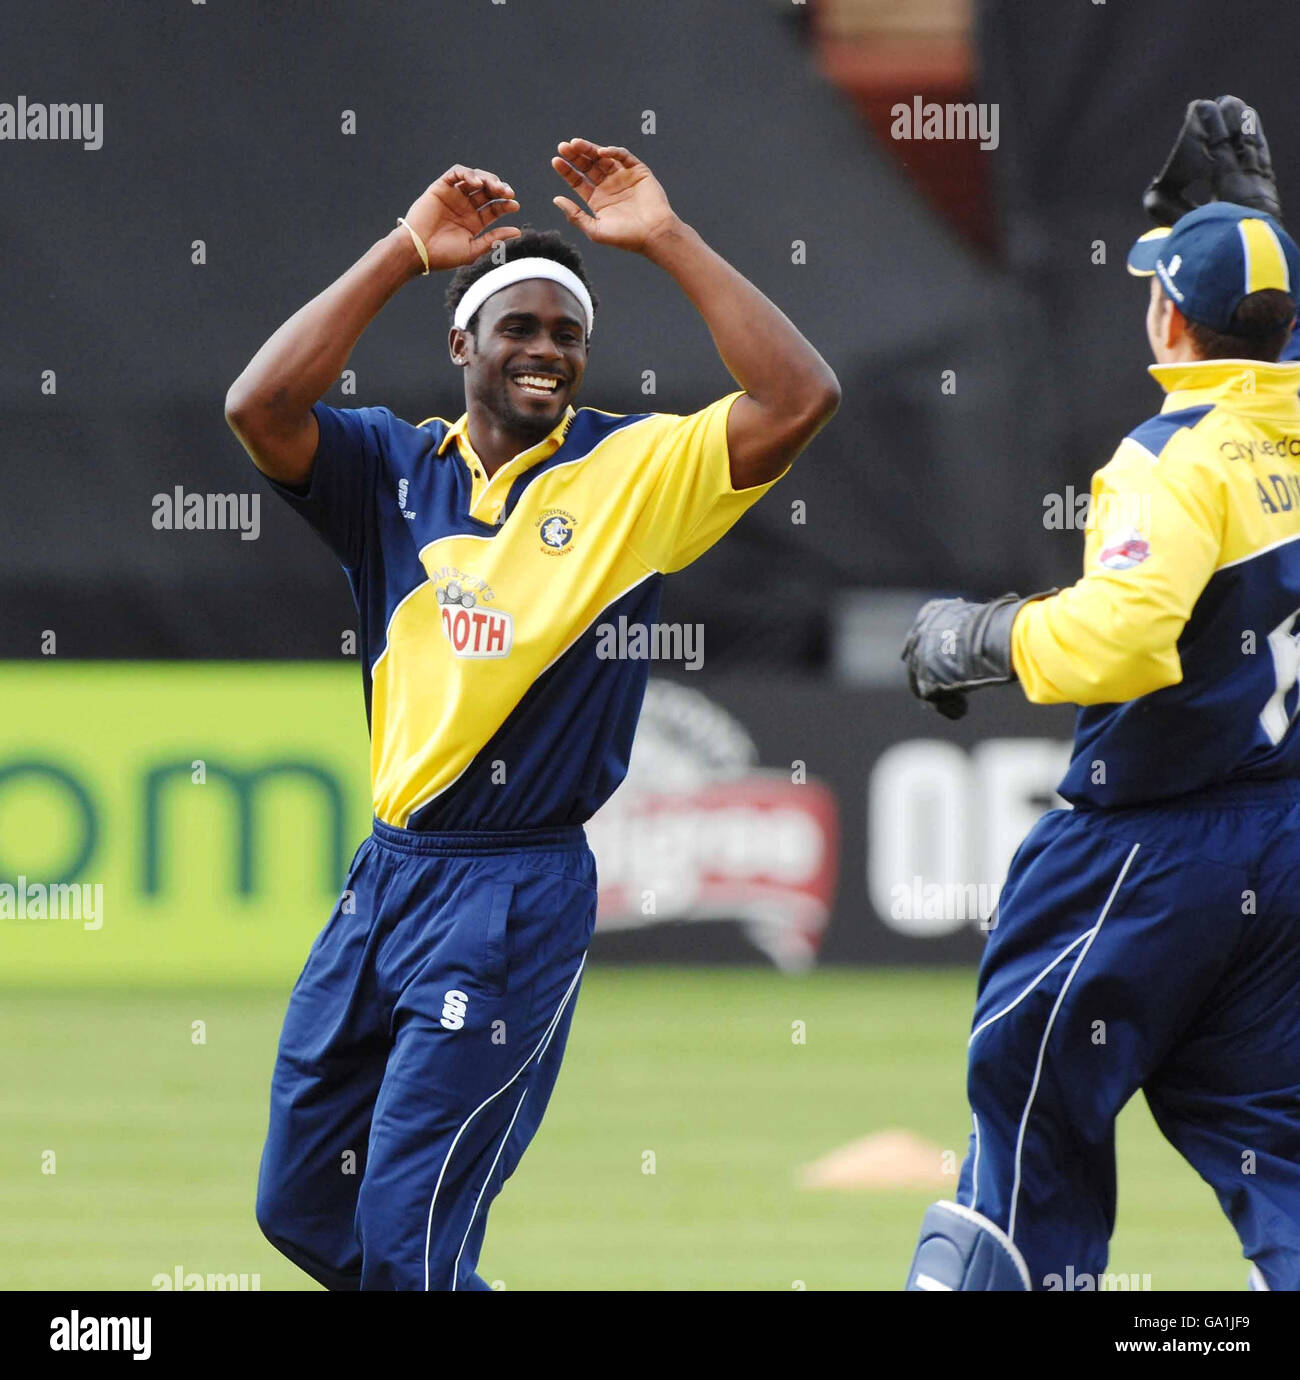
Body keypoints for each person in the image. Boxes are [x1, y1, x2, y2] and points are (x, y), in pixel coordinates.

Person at [224, 139, 838, 1290]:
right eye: (520, 327)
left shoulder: (632, 474)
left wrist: (663, 237)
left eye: (568, 333)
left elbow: (799, 396)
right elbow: (259, 403)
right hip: (387, 879)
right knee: (303, 1208)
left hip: (511, 894)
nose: (547, 350)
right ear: (462, 345)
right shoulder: (391, 470)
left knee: (410, 1239)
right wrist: (406, 251)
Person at [900, 142, 1300, 1287]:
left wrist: (974, 638)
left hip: (1141, 849)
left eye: (1156, 290)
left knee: (1024, 1122)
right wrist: (1248, 230)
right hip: (1274, 846)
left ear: (1173, 321)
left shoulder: (1167, 459)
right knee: (1275, 1143)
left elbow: (1123, 637)